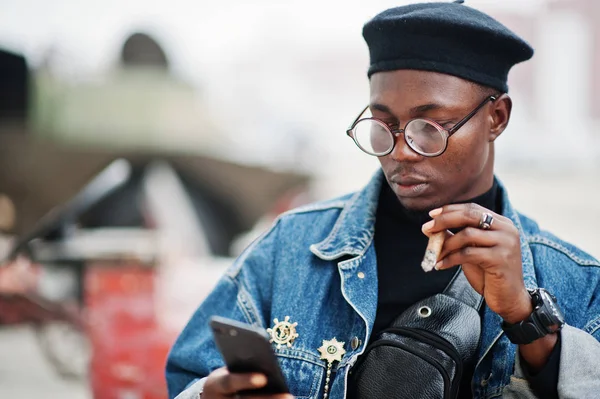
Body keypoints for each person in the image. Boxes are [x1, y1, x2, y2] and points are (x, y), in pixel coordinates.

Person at [166, 2, 600, 398]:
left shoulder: (577, 281)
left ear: (497, 117)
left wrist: (529, 321)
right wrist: (211, 393)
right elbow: (188, 376)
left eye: (430, 127)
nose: (401, 150)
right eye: (382, 125)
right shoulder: (290, 250)